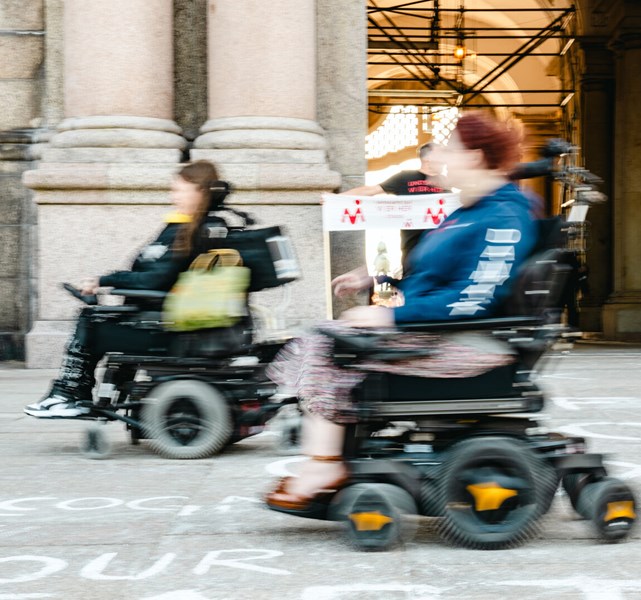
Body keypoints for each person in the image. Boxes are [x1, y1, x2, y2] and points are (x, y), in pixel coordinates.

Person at [265, 113, 537, 512]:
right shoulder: (470, 210)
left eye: (453, 148)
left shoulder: (502, 217)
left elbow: (473, 297)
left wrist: (390, 316)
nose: (443, 154)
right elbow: (428, 272)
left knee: (326, 343)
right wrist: (375, 279)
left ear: (476, 157)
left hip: (466, 343)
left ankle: (323, 465)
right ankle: (329, 450)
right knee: (329, 334)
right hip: (437, 330)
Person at [24, 161, 229, 418]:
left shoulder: (193, 231)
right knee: (101, 316)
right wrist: (106, 280)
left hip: (167, 327)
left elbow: (154, 280)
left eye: (179, 189)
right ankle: (76, 394)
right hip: (168, 319)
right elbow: (148, 274)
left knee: (92, 320)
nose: (172, 195)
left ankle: (69, 393)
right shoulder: (189, 227)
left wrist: (105, 281)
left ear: (199, 191)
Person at [340, 142, 446, 266]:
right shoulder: (405, 178)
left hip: (442, 250)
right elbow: (371, 190)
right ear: (428, 158)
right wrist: (336, 198)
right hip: (414, 251)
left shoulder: (446, 181)